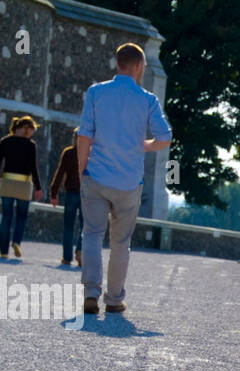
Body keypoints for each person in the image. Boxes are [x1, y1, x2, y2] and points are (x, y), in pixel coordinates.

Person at [76, 42, 171, 316]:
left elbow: (84, 135)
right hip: (129, 182)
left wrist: (82, 169)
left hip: (96, 176)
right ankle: (115, 299)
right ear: (140, 66)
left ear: (117, 63)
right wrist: (144, 145)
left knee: (92, 234)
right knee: (120, 242)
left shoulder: (96, 92)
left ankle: (91, 293)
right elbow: (164, 137)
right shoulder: (148, 99)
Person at [0, 116, 44, 259]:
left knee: (6, 217)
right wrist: (38, 187)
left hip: (7, 182)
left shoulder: (5, 141)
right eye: (32, 130)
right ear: (26, 128)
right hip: (24, 184)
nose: (32, 134)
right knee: (21, 217)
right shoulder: (30, 145)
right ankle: (16, 241)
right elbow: (34, 167)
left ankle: (3, 251)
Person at [48, 127, 84, 267]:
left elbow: (60, 173)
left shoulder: (68, 153)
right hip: (86, 194)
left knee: (68, 226)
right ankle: (81, 250)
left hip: (71, 193)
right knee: (85, 226)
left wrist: (53, 193)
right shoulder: (90, 154)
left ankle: (67, 257)